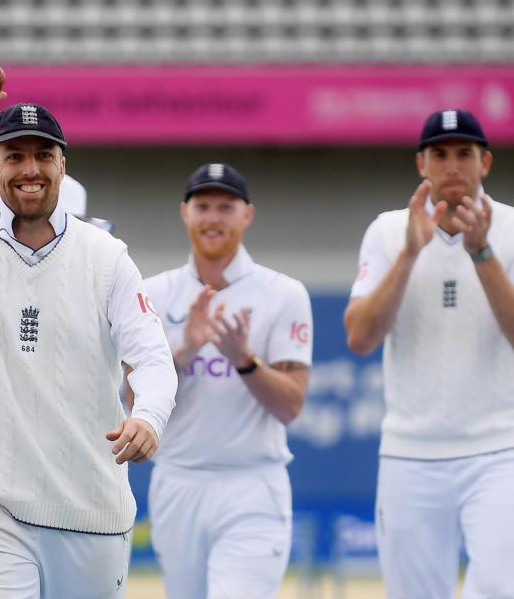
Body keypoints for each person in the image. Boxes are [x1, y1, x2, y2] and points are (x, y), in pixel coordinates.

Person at [0, 57, 177, 598]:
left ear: (62, 166)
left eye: (44, 155)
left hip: (91, 510)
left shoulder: (107, 256)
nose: (31, 168)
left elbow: (152, 357)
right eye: (14, 156)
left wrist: (149, 415)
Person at [345, 109, 514, 597]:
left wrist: (482, 254)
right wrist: (410, 253)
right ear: (422, 163)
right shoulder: (387, 231)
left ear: (486, 161)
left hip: (499, 449)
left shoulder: (510, 228)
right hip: (411, 452)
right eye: (439, 154)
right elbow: (360, 337)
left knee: (502, 587)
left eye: (464, 153)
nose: (452, 165)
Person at [129, 163, 312, 598]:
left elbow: (290, 405)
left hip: (252, 482)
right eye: (203, 206)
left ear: (247, 214)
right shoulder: (152, 293)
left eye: (225, 207)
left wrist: (244, 360)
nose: (213, 218)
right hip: (177, 479)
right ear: (184, 212)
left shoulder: (283, 293)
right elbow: (132, 396)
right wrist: (185, 351)